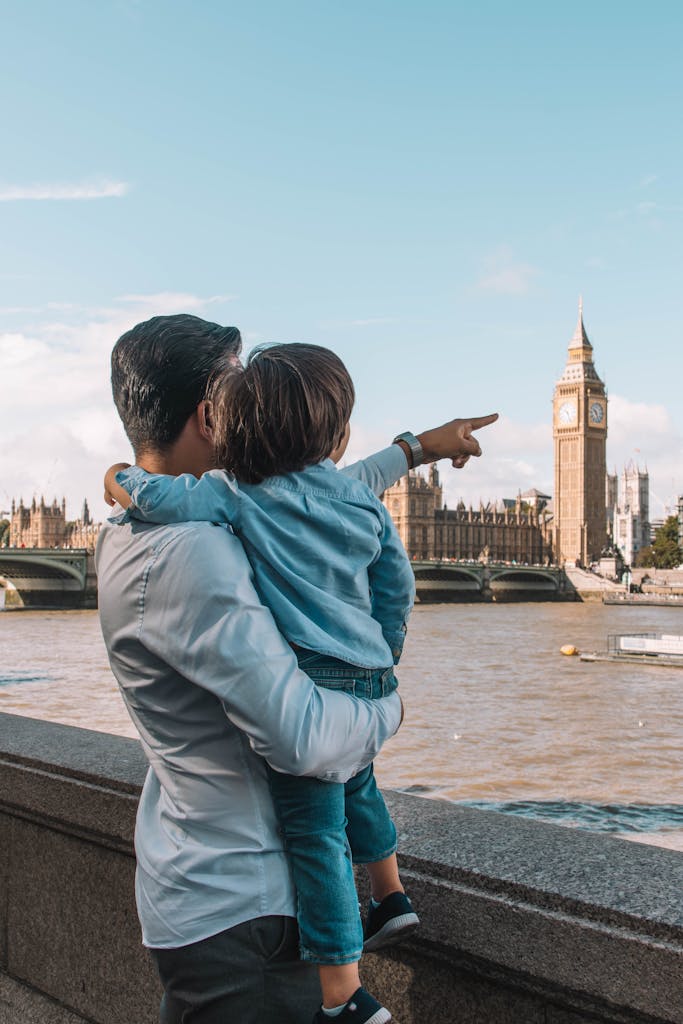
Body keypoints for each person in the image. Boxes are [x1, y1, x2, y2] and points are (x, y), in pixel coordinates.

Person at [96, 313, 498, 1024]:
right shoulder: (196, 548)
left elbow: (316, 487)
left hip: (199, 876)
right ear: (212, 414)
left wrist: (416, 447)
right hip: (246, 909)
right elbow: (305, 741)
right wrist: (387, 700)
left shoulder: (146, 529)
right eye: (241, 388)